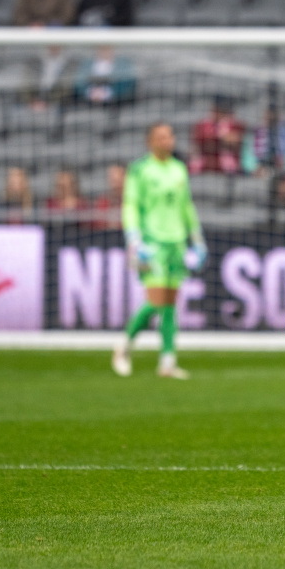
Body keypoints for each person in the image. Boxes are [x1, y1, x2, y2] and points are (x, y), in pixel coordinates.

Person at [113, 123, 209, 380]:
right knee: (156, 301)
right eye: (162, 137)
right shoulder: (140, 170)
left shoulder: (179, 169)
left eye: (170, 135)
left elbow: (186, 207)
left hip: (176, 243)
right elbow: (130, 205)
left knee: (169, 303)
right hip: (151, 242)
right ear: (151, 141)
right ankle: (123, 346)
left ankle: (167, 361)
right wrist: (134, 240)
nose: (168, 141)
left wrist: (197, 239)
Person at [188, 95, 246, 175]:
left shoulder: (235, 124)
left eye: (221, 110)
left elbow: (235, 141)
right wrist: (222, 138)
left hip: (227, 171)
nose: (218, 112)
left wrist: (217, 135)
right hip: (204, 168)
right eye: (216, 109)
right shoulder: (202, 124)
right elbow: (204, 143)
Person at [93, 163, 126, 230]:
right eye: (112, 181)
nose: (115, 186)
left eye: (118, 181)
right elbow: (98, 226)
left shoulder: (134, 202)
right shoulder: (103, 203)